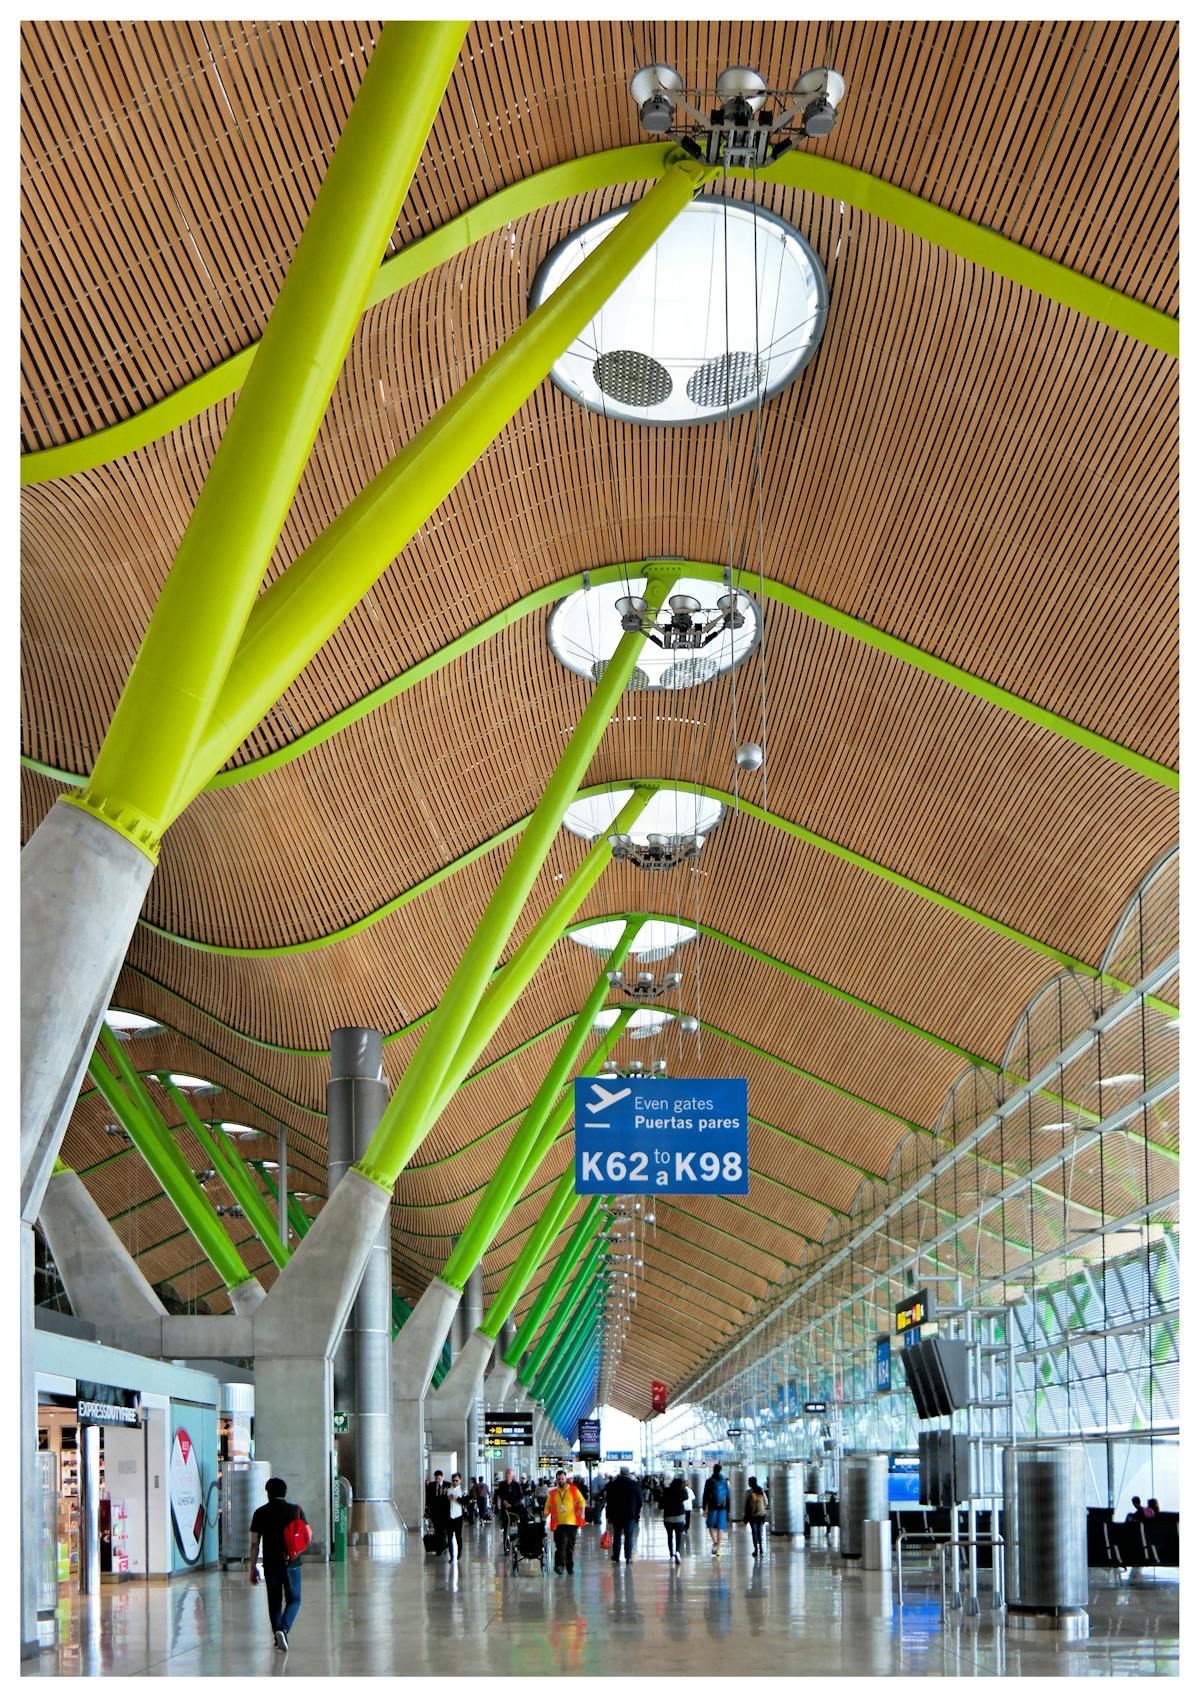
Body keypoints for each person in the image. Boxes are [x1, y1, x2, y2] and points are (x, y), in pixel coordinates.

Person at [248, 1477, 308, 1653]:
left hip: (271, 1564)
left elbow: (254, 1543)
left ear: (268, 1493)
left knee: (274, 1602)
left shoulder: (260, 1513)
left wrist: (253, 1567)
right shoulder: (296, 1510)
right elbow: (307, 1534)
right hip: (291, 1563)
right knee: (294, 1599)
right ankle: (284, 1629)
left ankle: (278, 1633)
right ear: (285, 1492)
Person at [546, 1469, 587, 1575]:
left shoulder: (573, 1490)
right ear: (556, 1480)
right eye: (559, 1479)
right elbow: (547, 1507)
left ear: (566, 1479)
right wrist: (543, 1519)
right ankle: (559, 1566)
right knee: (561, 1545)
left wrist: (582, 1513)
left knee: (569, 1547)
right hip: (558, 1523)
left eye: (562, 1479)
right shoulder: (553, 1493)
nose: (561, 1481)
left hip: (572, 1523)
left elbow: (582, 1501)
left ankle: (569, 1566)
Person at [604, 1465, 642, 1564]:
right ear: (628, 1473)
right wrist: (636, 1512)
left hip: (616, 1515)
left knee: (617, 1536)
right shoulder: (634, 1484)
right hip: (630, 1515)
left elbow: (609, 1501)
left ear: (620, 1473)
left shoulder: (613, 1484)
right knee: (629, 1536)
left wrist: (608, 1515)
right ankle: (628, 1557)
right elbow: (640, 1501)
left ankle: (616, 1556)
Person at [702, 1462, 730, 1555]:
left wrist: (704, 1508)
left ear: (713, 1470)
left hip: (712, 1507)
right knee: (720, 1528)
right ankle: (718, 1548)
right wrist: (728, 1509)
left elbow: (705, 1495)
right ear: (720, 1470)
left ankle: (715, 1542)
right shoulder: (724, 1481)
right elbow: (728, 1495)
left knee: (710, 1526)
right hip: (723, 1507)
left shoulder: (709, 1481)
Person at [662, 1471, 688, 1564]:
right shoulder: (682, 1491)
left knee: (669, 1536)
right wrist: (684, 1487)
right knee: (678, 1535)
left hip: (668, 1517)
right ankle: (678, 1551)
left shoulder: (666, 1491)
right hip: (679, 1517)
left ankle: (671, 1554)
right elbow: (686, 1497)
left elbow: (661, 1503)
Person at [745, 1475, 769, 1560]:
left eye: (749, 1482)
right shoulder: (761, 1491)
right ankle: (761, 1549)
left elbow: (746, 1505)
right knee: (760, 1532)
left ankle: (756, 1550)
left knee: (754, 1532)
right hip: (761, 1515)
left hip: (752, 1516)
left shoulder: (748, 1492)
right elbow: (766, 1502)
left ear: (751, 1483)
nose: (748, 1483)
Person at [446, 1472, 466, 1560]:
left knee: (458, 1536)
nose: (454, 1482)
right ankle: (451, 1556)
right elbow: (444, 1502)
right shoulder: (448, 1490)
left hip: (458, 1516)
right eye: (453, 1480)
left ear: (460, 1480)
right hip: (449, 1517)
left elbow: (466, 1502)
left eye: (456, 1480)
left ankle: (459, 1553)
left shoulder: (462, 1490)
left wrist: (457, 1498)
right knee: (449, 1537)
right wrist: (447, 1499)